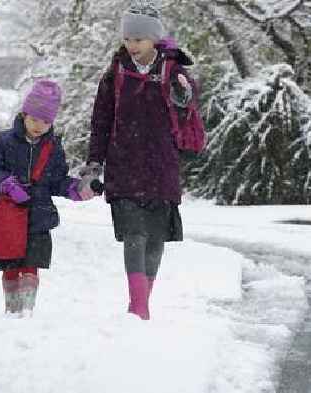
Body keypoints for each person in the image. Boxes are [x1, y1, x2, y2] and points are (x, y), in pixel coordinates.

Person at [82, 0, 199, 320]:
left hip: (161, 168)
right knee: (134, 234)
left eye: (139, 39)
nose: (132, 45)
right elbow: (101, 121)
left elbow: (188, 108)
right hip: (124, 166)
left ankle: (142, 299)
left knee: (155, 238)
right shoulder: (115, 72)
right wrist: (95, 163)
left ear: (155, 39)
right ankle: (139, 307)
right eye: (128, 39)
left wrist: (183, 95)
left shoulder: (174, 71)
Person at [0, 80, 94, 317]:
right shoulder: (3, 142)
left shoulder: (53, 148)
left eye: (45, 121)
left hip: (38, 214)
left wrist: (75, 189)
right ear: (24, 114)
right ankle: (12, 309)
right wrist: (7, 184)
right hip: (8, 214)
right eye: (34, 119)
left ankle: (27, 310)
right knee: (10, 264)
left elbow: (57, 180)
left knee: (32, 263)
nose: (39, 125)